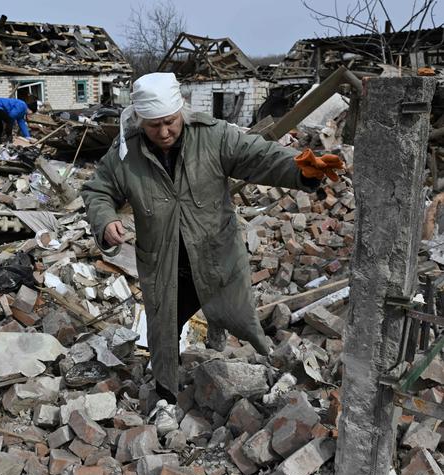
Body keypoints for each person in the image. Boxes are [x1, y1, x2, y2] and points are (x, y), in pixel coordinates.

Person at [81, 72, 343, 403]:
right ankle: (166, 395)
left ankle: (272, 368)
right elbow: (98, 190)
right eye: (153, 125)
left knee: (240, 318)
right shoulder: (126, 155)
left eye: (170, 122)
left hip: (216, 259)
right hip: (165, 266)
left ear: (181, 112)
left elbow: (258, 155)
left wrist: (301, 169)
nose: (164, 132)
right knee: (163, 330)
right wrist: (105, 221)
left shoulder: (214, 137)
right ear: (139, 121)